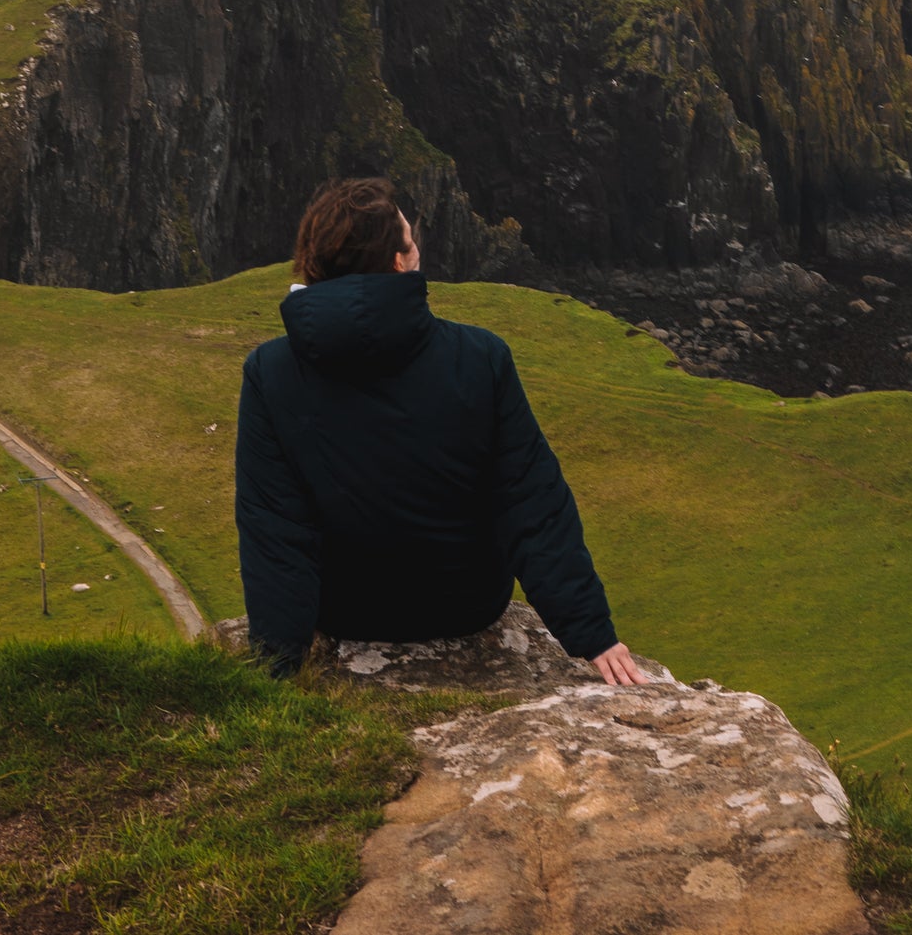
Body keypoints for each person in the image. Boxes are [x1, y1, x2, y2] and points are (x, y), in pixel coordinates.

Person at [235, 174, 648, 681]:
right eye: (410, 241)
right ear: (397, 263)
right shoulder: (479, 357)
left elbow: (275, 528)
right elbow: (531, 501)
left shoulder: (271, 371)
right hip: (466, 606)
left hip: (346, 612)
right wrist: (593, 634)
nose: (416, 248)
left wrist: (274, 670)